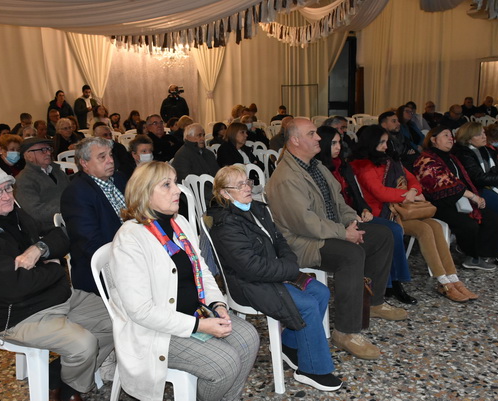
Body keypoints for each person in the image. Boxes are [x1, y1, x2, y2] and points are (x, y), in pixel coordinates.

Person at [0, 160, 113, 401]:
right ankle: (70, 388)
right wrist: (56, 269)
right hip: (19, 315)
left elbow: (61, 235)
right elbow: (15, 287)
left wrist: (39, 249)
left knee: (118, 320)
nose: (6, 196)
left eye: (7, 188)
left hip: (54, 297)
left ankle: (58, 379)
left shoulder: (15, 214)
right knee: (84, 344)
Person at [107, 161, 259, 401]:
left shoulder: (179, 224)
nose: (177, 190)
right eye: (166, 185)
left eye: (175, 182)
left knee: (248, 338)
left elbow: (202, 272)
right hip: (155, 330)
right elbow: (141, 311)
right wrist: (199, 326)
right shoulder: (130, 239)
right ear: (145, 193)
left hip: (196, 312)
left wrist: (218, 305)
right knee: (225, 362)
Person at [266, 118, 405, 360]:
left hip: (329, 231)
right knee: (351, 255)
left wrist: (352, 222)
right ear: (295, 140)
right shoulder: (286, 177)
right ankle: (346, 331)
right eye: (312, 134)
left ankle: (374, 302)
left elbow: (338, 202)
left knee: (383, 235)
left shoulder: (315, 166)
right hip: (303, 242)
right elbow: (304, 222)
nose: (319, 137)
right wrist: (344, 233)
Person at [208, 165, 342, 391]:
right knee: (307, 305)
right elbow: (250, 268)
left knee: (321, 292)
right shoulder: (225, 225)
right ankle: (312, 370)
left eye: (247, 182)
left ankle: (289, 344)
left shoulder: (257, 209)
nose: (247, 187)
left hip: (272, 274)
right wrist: (288, 270)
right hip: (249, 285)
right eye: (239, 185)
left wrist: (289, 263)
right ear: (224, 193)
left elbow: (280, 240)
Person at [351, 125, 478, 302]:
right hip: (384, 213)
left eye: (386, 142)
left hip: (404, 210)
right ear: (371, 143)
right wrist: (408, 195)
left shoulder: (390, 160)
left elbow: (412, 179)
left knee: (435, 225)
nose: (386, 146)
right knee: (424, 229)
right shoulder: (362, 165)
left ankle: (453, 278)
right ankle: (443, 282)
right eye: (381, 143)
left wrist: (413, 191)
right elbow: (380, 192)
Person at [315, 126, 416, 304]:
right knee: (389, 232)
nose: (338, 147)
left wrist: (364, 209)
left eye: (339, 142)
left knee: (393, 229)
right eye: (333, 143)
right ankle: (388, 284)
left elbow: (356, 194)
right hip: (339, 220)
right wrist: (352, 216)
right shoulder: (318, 169)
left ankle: (394, 282)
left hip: (356, 214)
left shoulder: (343, 166)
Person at [413, 126, 498, 271]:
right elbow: (444, 183)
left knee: (491, 218)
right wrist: (473, 196)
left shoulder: (452, 157)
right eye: (445, 135)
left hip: (459, 199)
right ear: (433, 139)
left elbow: (462, 180)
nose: (450, 138)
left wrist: (474, 196)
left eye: (451, 135)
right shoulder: (425, 159)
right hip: (437, 203)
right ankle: (472, 256)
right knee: (468, 224)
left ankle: (481, 255)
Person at [61, 137, 126, 294]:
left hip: (128, 251)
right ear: (84, 163)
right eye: (102, 157)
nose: (110, 160)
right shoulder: (77, 193)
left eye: (110, 155)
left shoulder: (118, 179)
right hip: (103, 269)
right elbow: (91, 244)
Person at [452, 122, 498, 268]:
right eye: (479, 134)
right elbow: (479, 179)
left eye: (484, 133)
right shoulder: (464, 153)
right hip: (475, 191)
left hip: (490, 187)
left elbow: (496, 170)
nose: (484, 136)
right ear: (468, 138)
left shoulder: (486, 150)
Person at [14, 137, 70, 229]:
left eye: (49, 149)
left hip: (71, 217)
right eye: (42, 150)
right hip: (50, 227)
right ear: (29, 156)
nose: (48, 153)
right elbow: (36, 212)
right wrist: (69, 209)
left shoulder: (57, 171)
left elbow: (72, 192)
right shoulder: (23, 180)